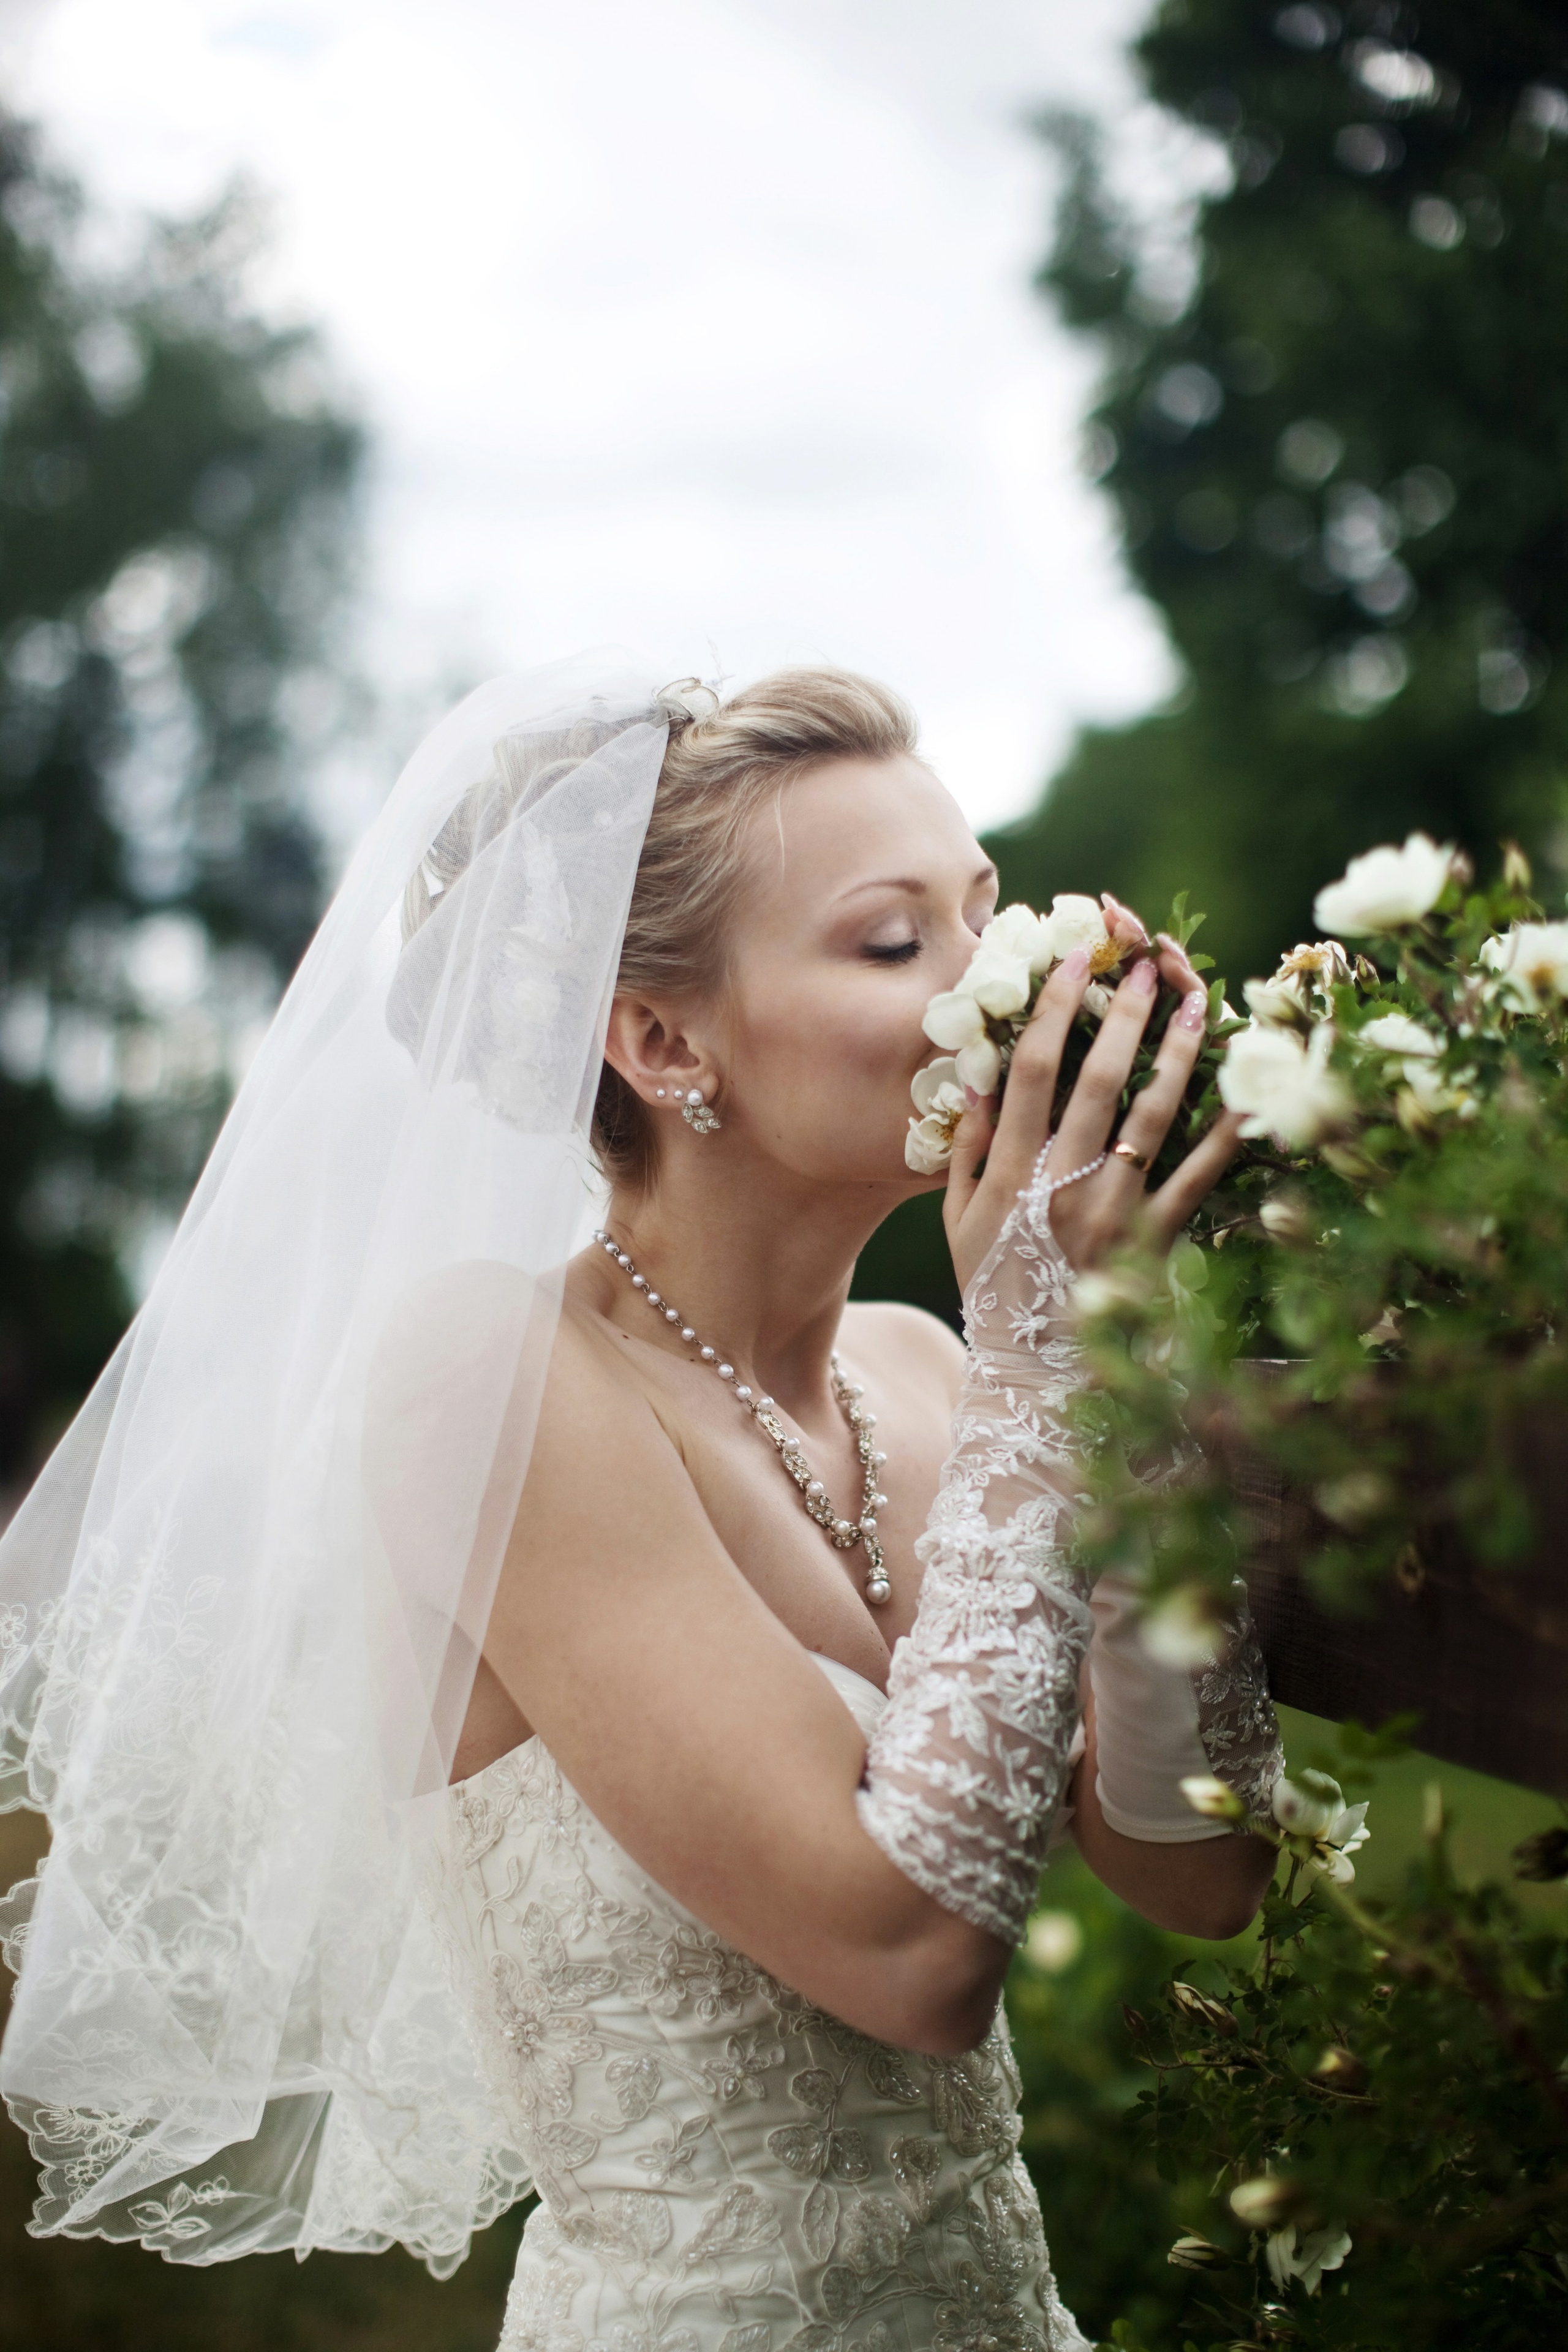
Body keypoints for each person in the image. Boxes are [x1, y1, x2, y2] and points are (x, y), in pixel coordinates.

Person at [0, 660, 1280, 2352]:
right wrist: (1043, 1362)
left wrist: (1123, 1386)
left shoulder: (930, 1371)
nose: (1007, 989)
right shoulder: (493, 1380)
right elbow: (911, 1961)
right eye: (899, 944)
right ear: (664, 1041)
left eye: (991, 913)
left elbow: (1202, 1872)